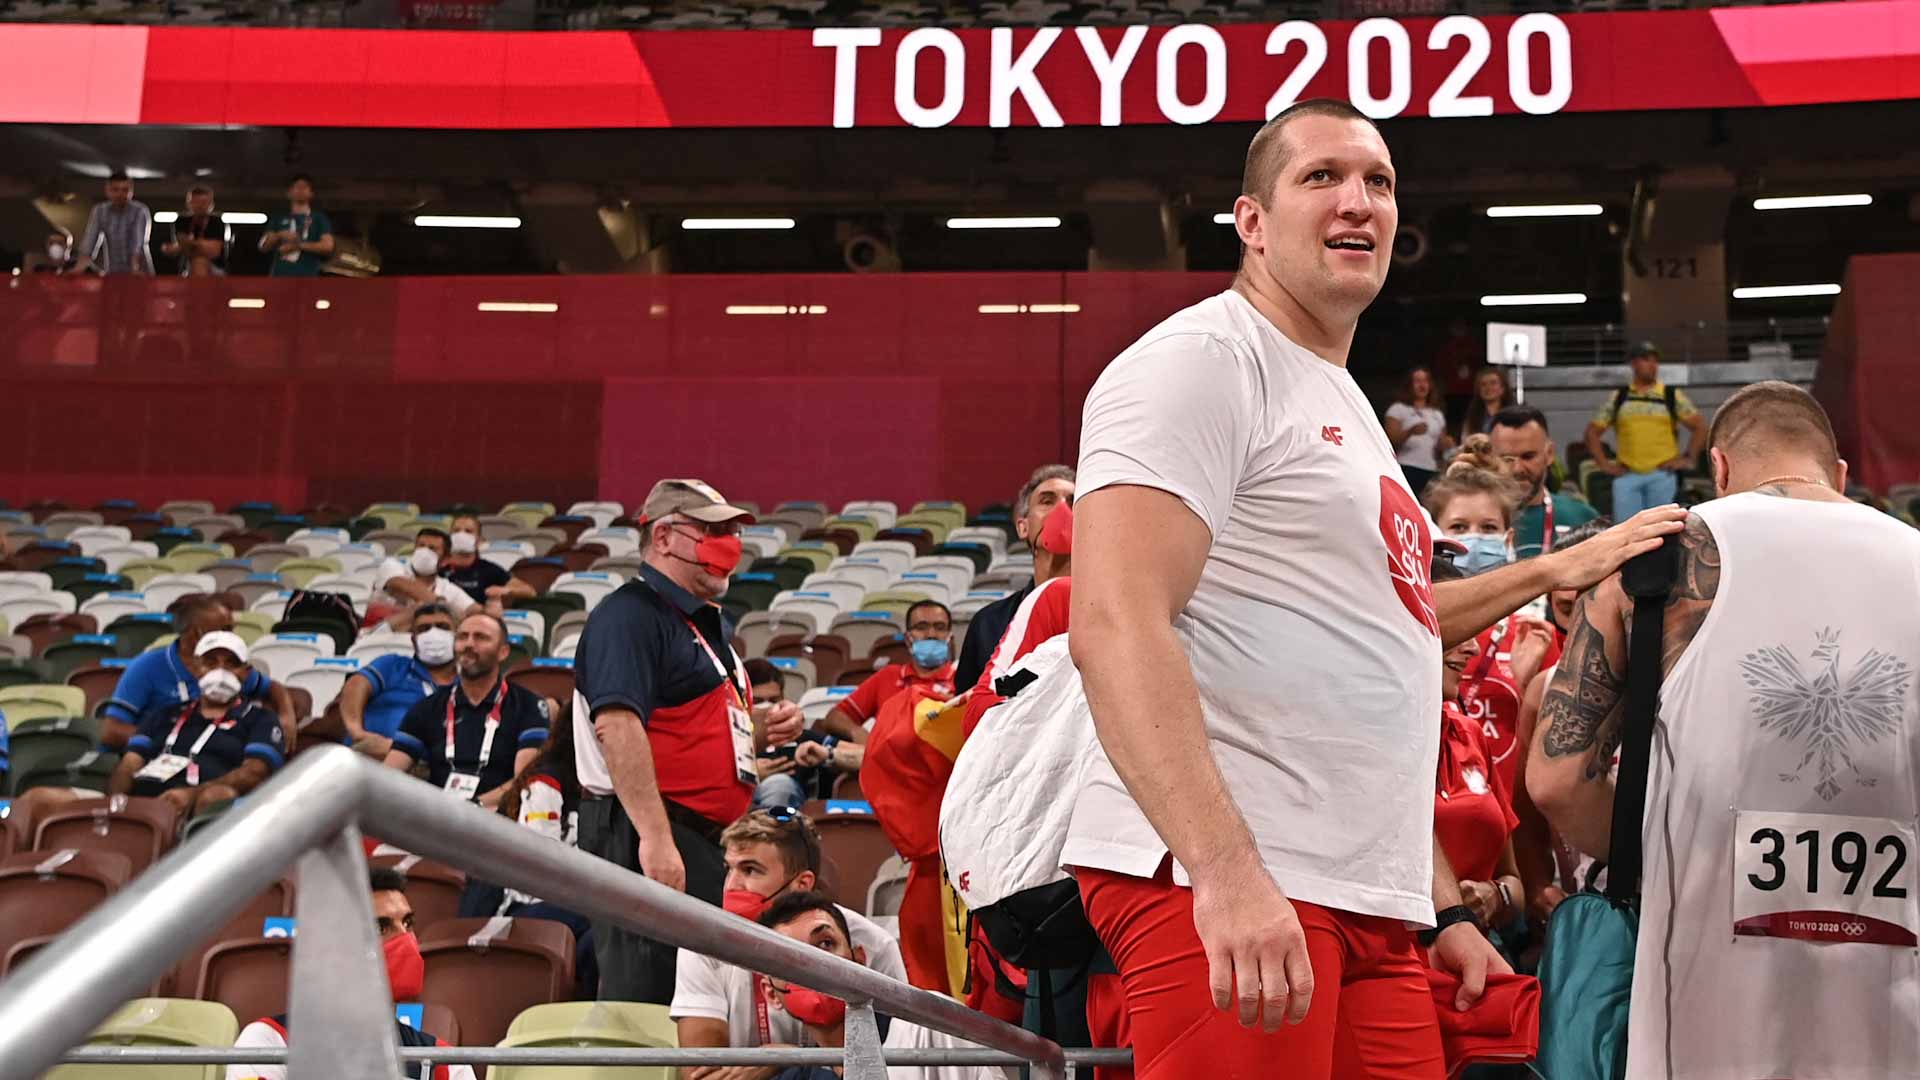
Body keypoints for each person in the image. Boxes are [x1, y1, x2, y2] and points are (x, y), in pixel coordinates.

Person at [1065, 98, 1685, 1079]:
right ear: (1252, 221)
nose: (1358, 200)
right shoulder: (1200, 361)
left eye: (1379, 182)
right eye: (1321, 176)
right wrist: (1224, 872)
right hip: (1236, 870)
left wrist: (1434, 907)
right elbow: (1112, 624)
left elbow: (1392, 639)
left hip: (1367, 901)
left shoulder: (1346, 405)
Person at [1530, 381, 1918, 1078]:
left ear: (1720, 466)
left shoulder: (1653, 556)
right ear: (1839, 474)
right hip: (1894, 977)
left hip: (1698, 974)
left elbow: (1557, 780)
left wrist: (1664, 858)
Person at [572, 478, 804, 1004]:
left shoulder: (700, 622)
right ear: (663, 537)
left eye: (732, 533)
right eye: (712, 532)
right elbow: (617, 725)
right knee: (651, 996)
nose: (729, 545)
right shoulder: (629, 615)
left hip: (699, 837)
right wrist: (654, 839)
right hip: (648, 831)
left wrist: (762, 728)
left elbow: (689, 727)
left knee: (697, 996)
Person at [672, 808, 906, 1076]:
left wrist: (786, 1058)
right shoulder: (703, 943)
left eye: (750, 870)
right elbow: (700, 1075)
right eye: (729, 868)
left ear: (802, 883)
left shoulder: (873, 945)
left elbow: (900, 1062)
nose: (731, 885)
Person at [226, 867, 476, 1080]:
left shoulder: (446, 1065)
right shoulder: (268, 1042)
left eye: (408, 924)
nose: (406, 940)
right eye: (380, 928)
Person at [755, 891, 1013, 1080]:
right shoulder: (798, 1075)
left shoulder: (933, 1026)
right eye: (789, 958)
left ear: (859, 960)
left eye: (825, 944)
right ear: (771, 993)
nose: (812, 964)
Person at [1427, 558, 1525, 943]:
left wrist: (1495, 897)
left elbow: (1514, 882)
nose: (1471, 647)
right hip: (1395, 960)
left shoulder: (1470, 733)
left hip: (1478, 956)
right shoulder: (1359, 745)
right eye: (1454, 624)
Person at [109, 631, 285, 818]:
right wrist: (116, 804)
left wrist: (192, 795)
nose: (220, 672)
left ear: (246, 672)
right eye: (210, 662)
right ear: (195, 668)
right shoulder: (164, 714)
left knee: (217, 796)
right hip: (145, 804)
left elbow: (254, 773)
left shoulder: (260, 718)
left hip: (201, 806)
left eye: (231, 664)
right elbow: (130, 763)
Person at [382, 610, 548, 805]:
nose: (469, 644)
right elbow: (389, 773)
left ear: (503, 652)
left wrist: (474, 806)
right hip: (437, 814)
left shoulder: (528, 705)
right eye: (462, 637)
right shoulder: (428, 707)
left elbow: (525, 780)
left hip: (499, 815)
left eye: (481, 637)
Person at [100, 595, 298, 750]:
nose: (232, 636)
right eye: (225, 629)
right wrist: (170, 740)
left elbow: (273, 688)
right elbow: (111, 732)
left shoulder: (229, 665)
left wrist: (286, 715)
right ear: (196, 634)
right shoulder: (147, 666)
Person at [953, 465, 1074, 691]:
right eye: (1047, 501)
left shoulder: (1114, 614)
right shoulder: (988, 623)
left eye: (1073, 502)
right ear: (1022, 527)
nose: (1062, 511)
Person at [1583, 342, 1707, 519]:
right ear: (1634, 363)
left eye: (1655, 361)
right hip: (1627, 476)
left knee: (1662, 528)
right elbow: (1592, 433)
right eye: (1646, 360)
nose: (1653, 365)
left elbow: (1700, 426)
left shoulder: (1669, 395)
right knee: (1626, 530)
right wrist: (1604, 465)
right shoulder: (1620, 397)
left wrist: (1688, 458)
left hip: (1662, 476)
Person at [817, 600, 957, 744]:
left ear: (949, 638)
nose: (931, 634)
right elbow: (834, 717)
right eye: (921, 627)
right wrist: (856, 732)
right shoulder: (888, 676)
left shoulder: (962, 680)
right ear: (908, 639)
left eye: (940, 627)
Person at [339, 603, 458, 759]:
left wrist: (397, 750)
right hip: (367, 758)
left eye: (442, 627)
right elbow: (356, 685)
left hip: (428, 764)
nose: (433, 634)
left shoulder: (468, 683)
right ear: (413, 640)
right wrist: (356, 732)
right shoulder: (393, 665)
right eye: (424, 629)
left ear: (458, 636)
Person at [1489, 406, 1598, 559]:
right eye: (1506, 459)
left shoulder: (1582, 518)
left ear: (1549, 454)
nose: (1517, 468)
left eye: (1528, 456)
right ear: (1490, 459)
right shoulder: (1470, 522)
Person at [377, 528, 477, 628]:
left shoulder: (446, 587)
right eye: (421, 546)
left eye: (432, 548)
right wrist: (444, 606)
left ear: (445, 560)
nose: (424, 552)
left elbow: (473, 609)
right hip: (380, 631)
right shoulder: (392, 565)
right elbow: (400, 584)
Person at [1384, 364, 1454, 495]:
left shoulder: (1437, 414)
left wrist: (1445, 444)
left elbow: (1440, 448)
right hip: (1406, 467)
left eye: (1425, 381)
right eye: (1417, 381)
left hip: (1431, 470)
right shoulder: (1397, 409)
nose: (1422, 385)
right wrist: (1410, 431)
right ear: (1409, 385)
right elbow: (1390, 440)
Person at [69, 172, 154, 276]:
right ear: (107, 191)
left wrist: (135, 269)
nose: (120, 194)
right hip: (113, 271)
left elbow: (137, 243)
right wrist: (79, 267)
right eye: (115, 190)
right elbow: (90, 240)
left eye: (125, 190)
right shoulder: (99, 211)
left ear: (131, 191)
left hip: (140, 272)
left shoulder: (140, 210)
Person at [259, 174, 334, 277]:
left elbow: (328, 247)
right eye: (296, 187)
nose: (300, 190)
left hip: (308, 276)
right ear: (288, 193)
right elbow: (263, 246)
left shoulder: (319, 219)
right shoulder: (278, 218)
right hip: (279, 276)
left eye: (304, 187)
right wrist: (279, 235)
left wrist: (298, 246)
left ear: (311, 193)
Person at [440, 515, 522, 608]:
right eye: (456, 531)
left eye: (468, 531)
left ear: (479, 540)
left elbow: (528, 590)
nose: (461, 535)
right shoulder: (438, 568)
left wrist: (504, 590)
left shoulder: (489, 569)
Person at [161, 185, 230, 277]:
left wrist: (187, 245)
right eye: (196, 202)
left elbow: (214, 251)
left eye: (204, 202)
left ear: (211, 204)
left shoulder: (217, 222)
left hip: (216, 271)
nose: (200, 206)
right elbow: (170, 248)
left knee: (199, 262)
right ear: (188, 203)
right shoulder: (181, 221)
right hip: (186, 270)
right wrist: (202, 245)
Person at [1459, 367, 1516, 445]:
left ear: (1503, 389)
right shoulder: (1472, 419)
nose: (1488, 388)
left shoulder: (1513, 415)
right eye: (1483, 384)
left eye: (1493, 383)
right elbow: (1465, 443)